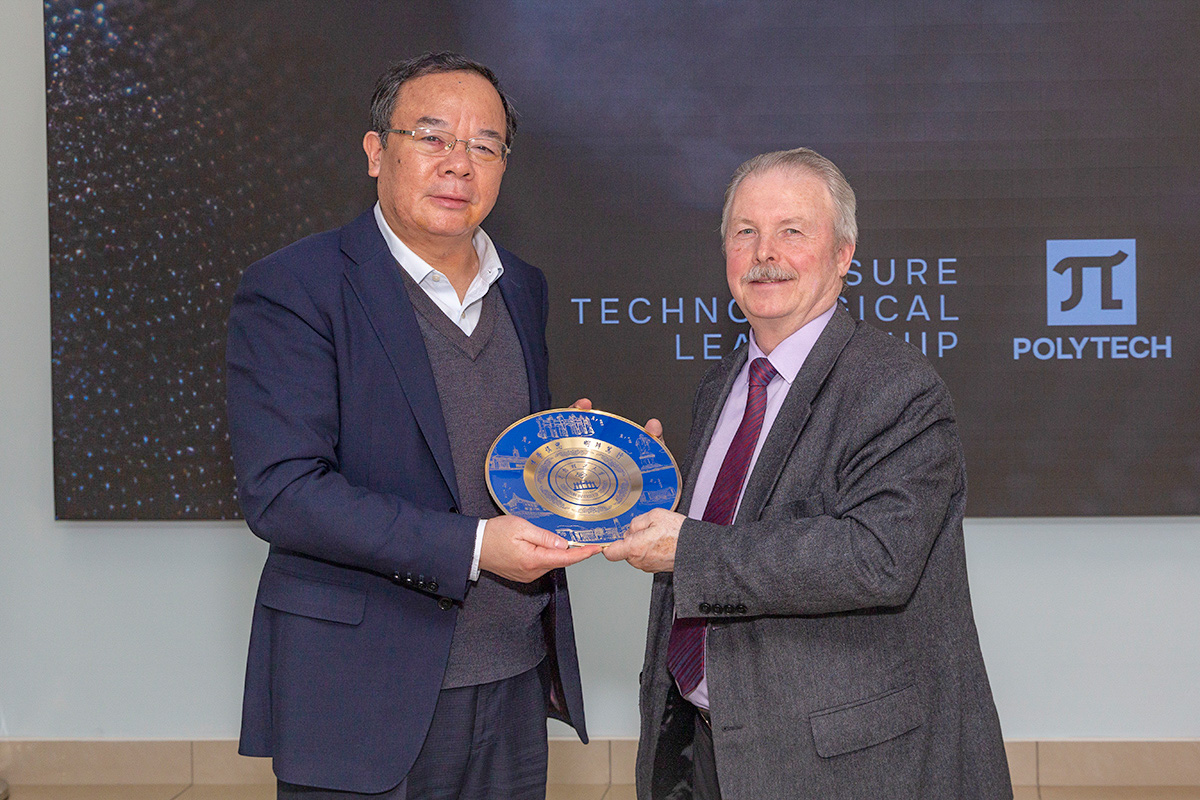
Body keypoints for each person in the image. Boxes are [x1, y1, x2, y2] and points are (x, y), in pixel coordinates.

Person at [225, 52, 602, 799]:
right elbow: (284, 493)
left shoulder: (523, 286)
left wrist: (575, 454)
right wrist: (474, 548)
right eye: (432, 137)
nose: (458, 163)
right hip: (361, 692)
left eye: (484, 145)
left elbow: (489, 454)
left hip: (513, 679)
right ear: (376, 152)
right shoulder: (295, 288)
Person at [605, 148, 1012, 799]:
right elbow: (736, 524)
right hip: (704, 748)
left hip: (838, 766)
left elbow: (877, 557)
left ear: (843, 254)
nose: (765, 252)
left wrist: (688, 549)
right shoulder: (720, 386)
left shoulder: (896, 387)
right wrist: (625, 480)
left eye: (792, 230)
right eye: (745, 232)